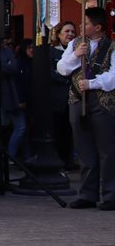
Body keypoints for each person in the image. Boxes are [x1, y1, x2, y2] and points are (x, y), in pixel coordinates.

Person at [57, 7, 115, 211]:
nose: (81, 26)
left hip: (103, 101)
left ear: (97, 27)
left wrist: (94, 84)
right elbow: (62, 68)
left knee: (107, 150)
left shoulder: (112, 46)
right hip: (77, 100)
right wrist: (75, 55)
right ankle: (88, 194)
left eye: (86, 23)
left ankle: (110, 194)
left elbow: (113, 76)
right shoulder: (75, 43)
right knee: (84, 149)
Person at [50, 21, 77, 170]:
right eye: (67, 31)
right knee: (59, 131)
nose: (70, 34)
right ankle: (60, 160)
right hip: (58, 100)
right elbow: (50, 74)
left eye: (73, 32)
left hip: (74, 98)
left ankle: (69, 160)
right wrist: (66, 78)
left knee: (71, 131)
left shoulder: (77, 51)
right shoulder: (52, 51)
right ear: (59, 34)